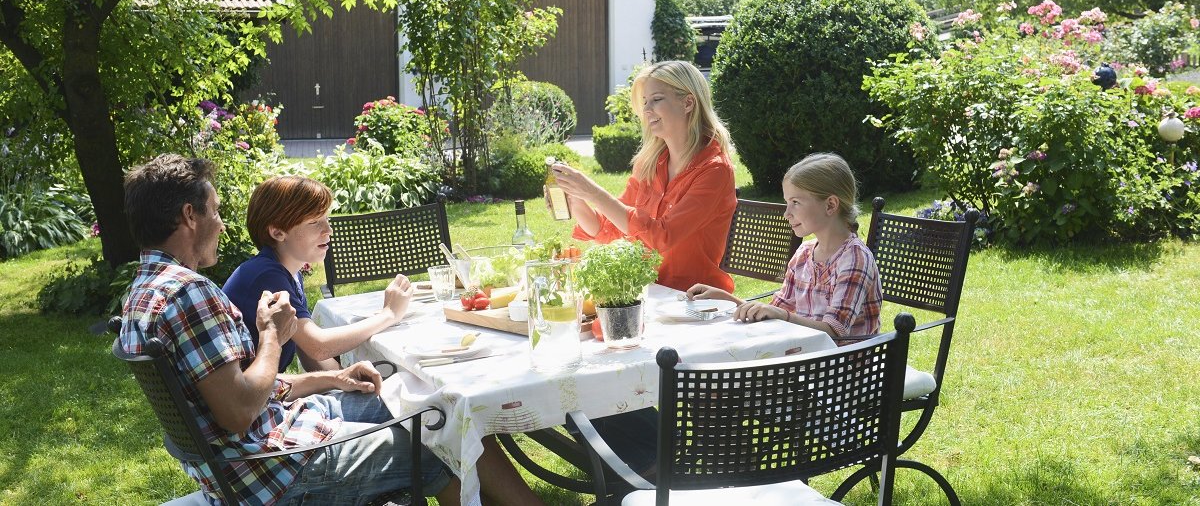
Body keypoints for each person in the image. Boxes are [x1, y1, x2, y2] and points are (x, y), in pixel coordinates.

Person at [118, 154, 542, 505]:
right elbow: (239, 410)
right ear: (189, 216)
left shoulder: (144, 291)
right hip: (273, 471)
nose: (222, 223)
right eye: (214, 212)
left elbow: (234, 389)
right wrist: (270, 337)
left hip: (258, 446)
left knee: (432, 405)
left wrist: (331, 378)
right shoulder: (189, 295)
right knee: (435, 439)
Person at [551, 60, 737, 293]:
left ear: (688, 102)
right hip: (647, 294)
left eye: (657, 99)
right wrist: (577, 198)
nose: (647, 110)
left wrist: (594, 192)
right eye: (645, 102)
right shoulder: (650, 164)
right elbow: (609, 229)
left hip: (693, 301)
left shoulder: (714, 170)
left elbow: (662, 237)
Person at [687, 152, 882, 342]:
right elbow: (776, 310)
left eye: (795, 202)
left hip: (847, 369)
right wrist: (727, 300)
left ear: (830, 205)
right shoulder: (804, 254)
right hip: (810, 359)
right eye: (787, 203)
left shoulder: (855, 258)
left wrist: (782, 316)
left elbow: (834, 332)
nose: (786, 213)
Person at [223, 175, 408, 373]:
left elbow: (309, 352)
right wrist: (389, 314)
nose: (329, 230)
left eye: (326, 219)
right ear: (278, 233)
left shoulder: (290, 274)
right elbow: (318, 346)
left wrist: (342, 377)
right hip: (256, 400)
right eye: (314, 222)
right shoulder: (265, 276)